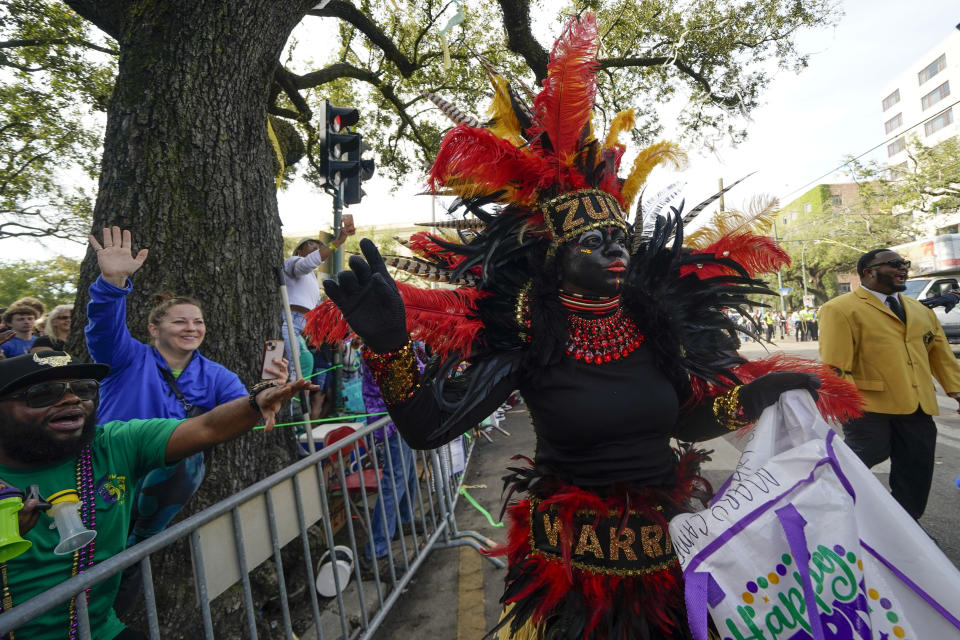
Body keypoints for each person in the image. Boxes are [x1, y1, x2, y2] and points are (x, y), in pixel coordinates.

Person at [308, 14, 855, 639]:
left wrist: (750, 398)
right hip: (570, 574)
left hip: (673, 550)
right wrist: (388, 345)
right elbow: (430, 428)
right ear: (555, 259)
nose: (614, 250)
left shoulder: (654, 328)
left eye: (618, 239)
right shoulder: (526, 338)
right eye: (592, 242)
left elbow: (681, 421)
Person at [0, 351, 312, 640]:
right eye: (43, 394)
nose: (71, 400)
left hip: (99, 631)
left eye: (83, 389)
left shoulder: (113, 445)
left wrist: (254, 403)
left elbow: (207, 428)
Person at [84, 227, 255, 548]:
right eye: (180, 321)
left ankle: (140, 546)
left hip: (161, 487)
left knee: (131, 558)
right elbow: (104, 327)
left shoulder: (218, 376)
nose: (191, 328)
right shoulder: (125, 356)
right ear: (153, 328)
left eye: (198, 322)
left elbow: (241, 409)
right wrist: (113, 283)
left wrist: (266, 396)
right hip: (109, 474)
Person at [819, 249, 960, 520]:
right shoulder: (840, 308)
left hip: (918, 405)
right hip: (868, 407)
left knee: (916, 471)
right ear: (868, 271)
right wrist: (845, 405)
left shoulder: (919, 310)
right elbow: (835, 365)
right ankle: (823, 511)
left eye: (904, 264)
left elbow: (940, 355)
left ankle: (906, 530)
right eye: (894, 264)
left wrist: (957, 391)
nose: (903, 268)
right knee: (864, 456)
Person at [281, 217, 356, 374]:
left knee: (297, 369)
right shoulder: (294, 261)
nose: (315, 247)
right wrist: (336, 243)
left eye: (318, 246)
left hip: (299, 325)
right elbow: (306, 264)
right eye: (310, 244)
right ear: (299, 250)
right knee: (290, 369)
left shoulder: (311, 279)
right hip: (290, 320)